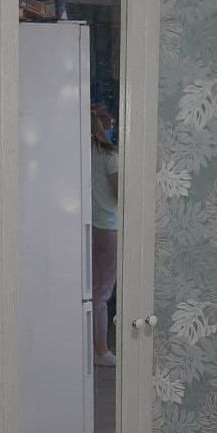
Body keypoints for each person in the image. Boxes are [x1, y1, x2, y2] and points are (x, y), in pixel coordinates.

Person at [90, 106, 118, 367]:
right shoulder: (110, 158)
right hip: (109, 227)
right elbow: (121, 195)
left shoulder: (81, 155)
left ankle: (88, 347)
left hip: (87, 228)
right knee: (102, 291)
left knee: (89, 289)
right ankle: (101, 350)